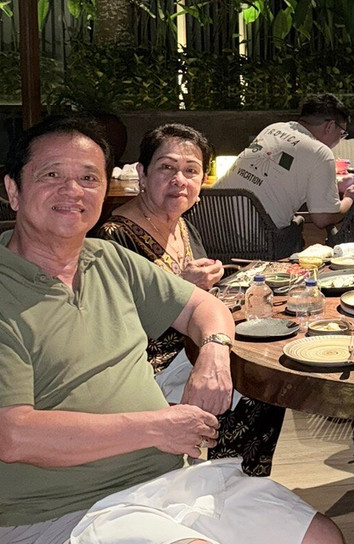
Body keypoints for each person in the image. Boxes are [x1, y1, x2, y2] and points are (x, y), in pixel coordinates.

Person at [0, 115, 343, 544]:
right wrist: (158, 427)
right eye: (52, 175)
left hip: (170, 484)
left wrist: (213, 354)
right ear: (13, 190)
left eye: (88, 178)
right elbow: (12, 436)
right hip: (64, 512)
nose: (73, 190)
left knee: (321, 537)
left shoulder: (108, 260)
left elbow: (204, 306)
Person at [97, 123, 286, 477]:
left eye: (191, 170)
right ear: (142, 173)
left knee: (265, 367)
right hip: (146, 365)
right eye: (166, 167)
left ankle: (237, 485)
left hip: (192, 348)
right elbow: (109, 324)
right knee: (255, 386)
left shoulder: (181, 224)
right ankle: (218, 484)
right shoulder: (114, 237)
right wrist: (181, 287)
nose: (179, 180)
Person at [216, 93, 354, 231]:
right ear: (330, 126)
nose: (339, 140)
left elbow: (278, 178)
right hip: (252, 238)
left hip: (209, 224)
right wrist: (349, 199)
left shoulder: (273, 128)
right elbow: (323, 218)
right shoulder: (320, 152)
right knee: (298, 227)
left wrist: (335, 184)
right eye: (342, 134)